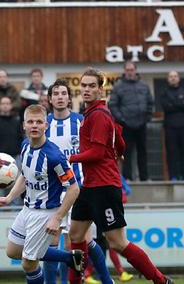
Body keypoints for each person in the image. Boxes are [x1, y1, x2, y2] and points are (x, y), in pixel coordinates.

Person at [68, 68, 170, 284]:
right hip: (90, 186)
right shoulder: (97, 113)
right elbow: (121, 145)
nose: (86, 89)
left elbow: (96, 153)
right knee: (75, 237)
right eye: (83, 85)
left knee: (117, 243)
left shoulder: (98, 115)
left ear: (100, 89)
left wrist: (69, 158)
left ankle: (161, 280)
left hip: (104, 187)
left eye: (91, 86)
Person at [0, 104, 86, 284]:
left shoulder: (54, 156)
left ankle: (69, 259)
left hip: (45, 214)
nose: (34, 126)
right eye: (30, 122)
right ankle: (70, 258)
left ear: (46, 126)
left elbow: (73, 188)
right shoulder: (25, 146)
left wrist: (57, 218)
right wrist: (9, 197)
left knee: (28, 263)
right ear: (24, 125)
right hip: (27, 209)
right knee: (12, 251)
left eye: (39, 122)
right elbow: (24, 174)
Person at [42, 79, 83, 284]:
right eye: (55, 93)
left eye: (63, 93)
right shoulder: (43, 125)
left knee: (72, 246)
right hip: (51, 192)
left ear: (69, 98)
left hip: (77, 191)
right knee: (49, 246)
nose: (59, 97)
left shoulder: (81, 121)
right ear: (50, 99)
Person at [110, 62, 154, 181]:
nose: (130, 72)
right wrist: (121, 119)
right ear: (124, 71)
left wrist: (147, 117)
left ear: (135, 70)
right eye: (127, 70)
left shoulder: (144, 85)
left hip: (141, 124)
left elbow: (150, 102)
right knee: (126, 152)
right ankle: (127, 177)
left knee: (143, 151)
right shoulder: (118, 86)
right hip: (126, 125)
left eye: (131, 69)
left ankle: (144, 177)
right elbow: (113, 105)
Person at [158, 70, 184, 181]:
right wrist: (181, 104)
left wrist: (173, 103)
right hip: (170, 127)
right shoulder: (164, 92)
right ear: (168, 79)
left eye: (175, 76)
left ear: (178, 78)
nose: (173, 78)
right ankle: (174, 176)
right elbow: (166, 107)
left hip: (183, 126)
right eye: (171, 76)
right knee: (172, 153)